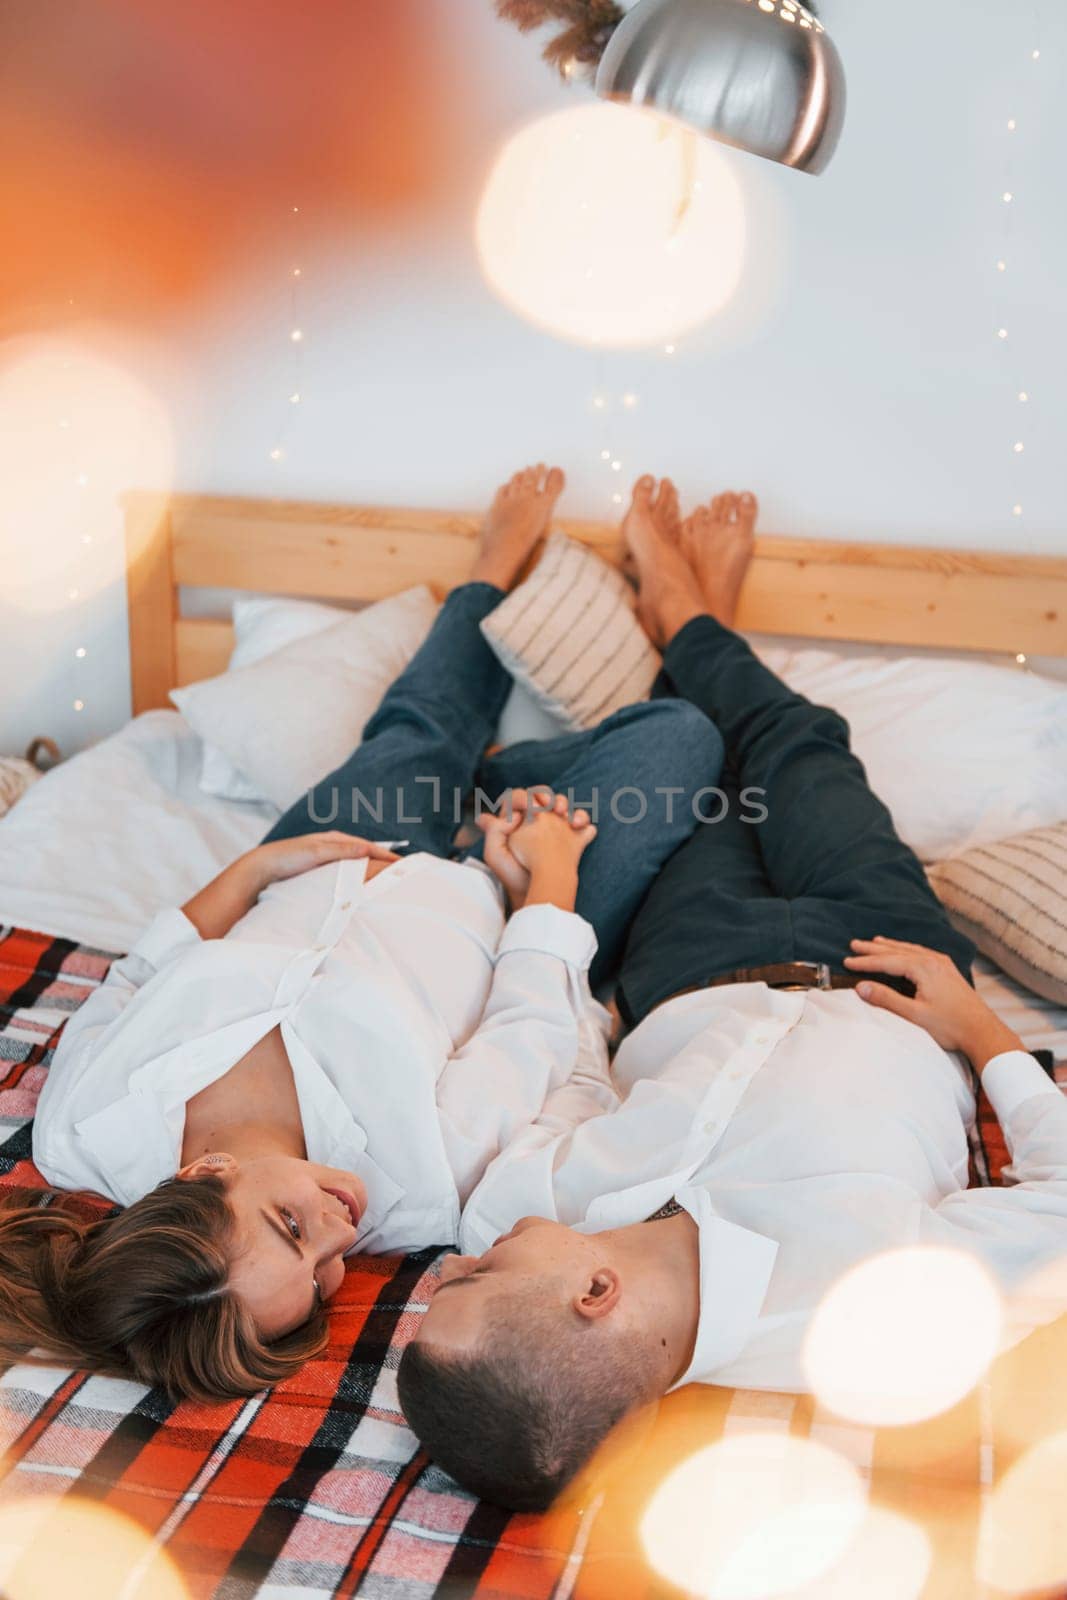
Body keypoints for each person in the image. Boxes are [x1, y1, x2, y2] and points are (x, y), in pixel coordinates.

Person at [399, 476, 1067, 1513]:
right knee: (801, 743)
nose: (458, 1260)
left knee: (708, 776)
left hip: (685, 961)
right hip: (887, 960)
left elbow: (567, 1060)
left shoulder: (524, 1203)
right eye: (474, 1280)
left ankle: (688, 616)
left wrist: (592, 970)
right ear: (592, 1294)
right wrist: (981, 1035)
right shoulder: (864, 1315)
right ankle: (690, 610)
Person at [3, 466, 724, 1403]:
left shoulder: (81, 1129)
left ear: (208, 1171)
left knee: (416, 723)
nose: (343, 1237)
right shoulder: (416, 1191)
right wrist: (539, 877)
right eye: (320, 1285)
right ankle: (501, 785)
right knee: (680, 740)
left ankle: (490, 573)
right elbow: (529, 1030)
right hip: (494, 902)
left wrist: (259, 870)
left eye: (293, 1230)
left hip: (327, 855)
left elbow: (141, 972)